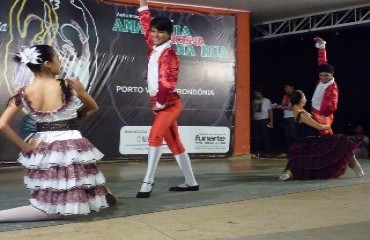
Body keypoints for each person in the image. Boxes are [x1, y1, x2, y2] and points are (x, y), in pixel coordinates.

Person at [0, 45, 117, 222]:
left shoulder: (23, 93)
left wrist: (25, 146)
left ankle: (101, 195)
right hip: (71, 142)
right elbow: (93, 107)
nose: (60, 62)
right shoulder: (71, 85)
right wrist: (70, 120)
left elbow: (2, 125)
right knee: (60, 202)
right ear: (47, 64)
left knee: (60, 190)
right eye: (58, 59)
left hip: (43, 144)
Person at [136, 0, 199, 198]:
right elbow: (146, 25)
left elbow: (168, 83)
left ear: (169, 35)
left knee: (155, 136)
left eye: (160, 32)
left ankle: (148, 181)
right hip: (160, 102)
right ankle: (191, 182)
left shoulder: (169, 54)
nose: (155, 35)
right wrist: (143, 6)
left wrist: (159, 104)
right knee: (175, 144)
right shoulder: (154, 44)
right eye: (154, 31)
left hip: (169, 103)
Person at [279, 90, 364, 181]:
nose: (306, 100)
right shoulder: (302, 114)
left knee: (299, 161)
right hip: (312, 140)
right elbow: (319, 127)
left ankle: (289, 173)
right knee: (344, 141)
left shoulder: (295, 110)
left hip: (303, 140)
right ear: (301, 100)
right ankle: (354, 164)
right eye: (304, 98)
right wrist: (329, 125)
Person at [311, 37, 339, 135]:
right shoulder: (324, 72)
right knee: (322, 134)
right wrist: (322, 46)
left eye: (326, 76)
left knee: (326, 135)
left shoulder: (332, 88)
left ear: (332, 74)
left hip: (322, 113)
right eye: (321, 75)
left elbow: (333, 106)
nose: (323, 78)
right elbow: (322, 61)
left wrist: (324, 115)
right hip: (315, 109)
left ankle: (333, 149)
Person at [274, 84, 297, 157]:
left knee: (294, 135)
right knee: (287, 135)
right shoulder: (286, 96)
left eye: (287, 87)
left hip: (293, 117)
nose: (285, 89)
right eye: (285, 88)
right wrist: (277, 106)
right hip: (286, 117)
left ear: (292, 87)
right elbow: (283, 104)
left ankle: (297, 151)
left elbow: (293, 107)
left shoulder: (297, 95)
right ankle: (288, 151)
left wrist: (282, 107)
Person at [251, 90, 273, 156]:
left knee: (265, 136)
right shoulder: (254, 101)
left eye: (257, 93)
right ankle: (257, 151)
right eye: (255, 93)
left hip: (264, 119)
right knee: (257, 136)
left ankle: (267, 151)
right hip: (256, 120)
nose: (256, 94)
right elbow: (252, 111)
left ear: (261, 93)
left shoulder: (267, 100)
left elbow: (270, 111)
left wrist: (271, 121)